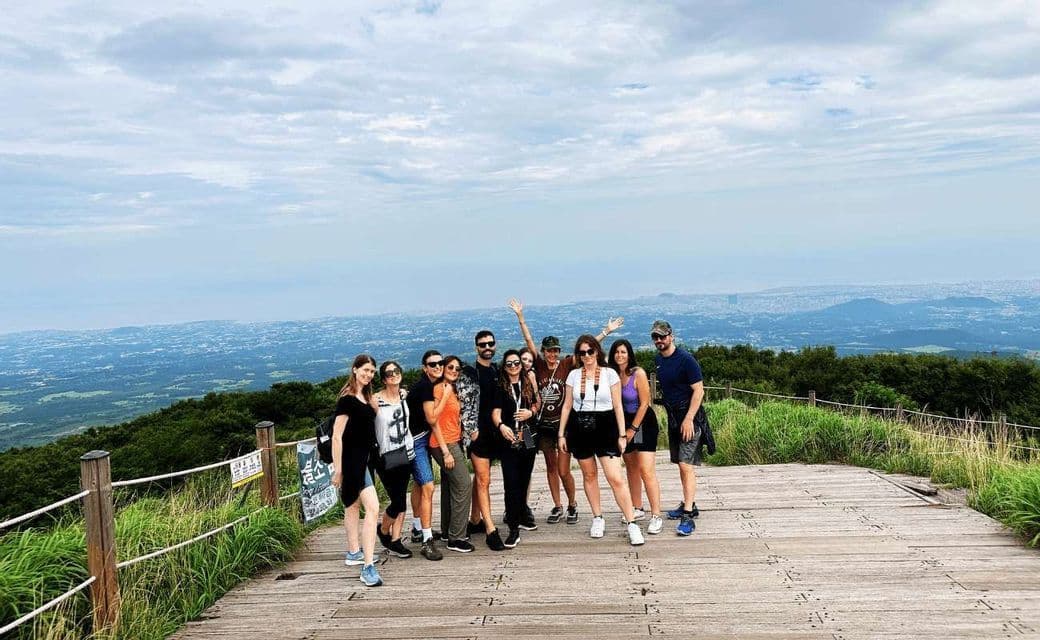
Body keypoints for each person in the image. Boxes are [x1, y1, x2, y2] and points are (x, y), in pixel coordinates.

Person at [508, 299, 623, 525]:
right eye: (549, 350)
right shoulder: (539, 365)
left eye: (556, 350)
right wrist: (520, 317)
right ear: (543, 352)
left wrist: (605, 332)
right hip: (545, 426)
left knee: (563, 469)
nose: (552, 354)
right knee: (551, 468)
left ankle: (572, 503)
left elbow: (587, 350)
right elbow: (528, 340)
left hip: (565, 425)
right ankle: (558, 505)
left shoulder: (566, 365)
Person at [558, 336, 645, 546]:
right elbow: (567, 406)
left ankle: (632, 522)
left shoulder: (609, 374)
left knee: (615, 477)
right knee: (589, 475)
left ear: (597, 351)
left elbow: (617, 406)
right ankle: (597, 517)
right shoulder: (573, 375)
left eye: (590, 351)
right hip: (580, 427)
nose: (586, 356)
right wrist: (561, 434)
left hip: (606, 426)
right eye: (582, 352)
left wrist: (623, 435)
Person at [331, 355, 384, 586]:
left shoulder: (366, 397)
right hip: (353, 461)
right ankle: (368, 567)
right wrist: (338, 469)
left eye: (372, 371)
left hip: (365, 458)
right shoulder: (347, 399)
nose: (368, 374)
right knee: (373, 508)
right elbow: (336, 436)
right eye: (365, 370)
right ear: (354, 370)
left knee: (352, 503)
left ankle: (354, 552)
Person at [651, 320, 705, 537]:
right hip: (674, 417)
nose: (659, 341)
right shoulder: (658, 360)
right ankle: (688, 502)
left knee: (685, 464)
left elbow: (699, 391)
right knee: (681, 464)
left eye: (662, 337)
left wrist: (689, 418)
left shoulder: (686, 360)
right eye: (655, 337)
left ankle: (688, 515)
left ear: (671, 336)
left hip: (689, 417)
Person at [608, 339, 663, 535]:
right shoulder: (612, 375)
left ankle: (656, 514)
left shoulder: (637, 373)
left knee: (646, 470)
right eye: (616, 352)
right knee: (631, 467)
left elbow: (644, 403)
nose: (619, 355)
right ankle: (637, 507)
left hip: (643, 422)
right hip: (623, 423)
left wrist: (632, 429)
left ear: (629, 354)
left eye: (623, 352)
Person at [426, 355, 477, 553]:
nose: (454, 370)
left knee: (450, 486)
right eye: (450, 367)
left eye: (457, 368)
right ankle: (456, 537)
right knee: (464, 485)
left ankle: (448, 531)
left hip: (451, 441)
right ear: (443, 368)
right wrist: (446, 452)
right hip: (444, 444)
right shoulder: (441, 389)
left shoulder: (452, 389)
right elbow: (434, 420)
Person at [463, 330, 507, 551]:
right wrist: (471, 430)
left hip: (497, 432)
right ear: (476, 347)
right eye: (482, 345)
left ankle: (475, 519)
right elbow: (461, 401)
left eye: (490, 343)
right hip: (479, 434)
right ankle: (490, 529)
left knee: (481, 479)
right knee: (483, 479)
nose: (487, 347)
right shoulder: (470, 373)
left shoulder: (499, 370)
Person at [492, 349, 540, 548]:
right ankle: (513, 527)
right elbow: (495, 413)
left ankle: (521, 513)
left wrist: (531, 412)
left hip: (528, 436)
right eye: (509, 364)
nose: (514, 367)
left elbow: (538, 403)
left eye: (517, 363)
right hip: (509, 438)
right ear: (504, 367)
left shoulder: (528, 382)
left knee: (524, 479)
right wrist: (501, 426)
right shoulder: (500, 388)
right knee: (511, 483)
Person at [371, 360, 415, 559]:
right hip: (385, 455)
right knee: (396, 500)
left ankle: (396, 540)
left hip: (405, 451)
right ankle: (383, 530)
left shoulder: (404, 396)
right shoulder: (375, 400)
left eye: (396, 371)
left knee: (402, 497)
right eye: (389, 373)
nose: (394, 375)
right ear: (383, 379)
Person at [404, 350, 444, 560]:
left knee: (419, 485)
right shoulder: (426, 387)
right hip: (417, 441)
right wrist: (445, 396)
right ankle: (427, 540)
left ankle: (418, 528)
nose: (438, 367)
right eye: (432, 364)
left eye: (440, 363)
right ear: (424, 367)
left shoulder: (423, 385)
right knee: (428, 486)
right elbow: (431, 418)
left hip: (416, 439)